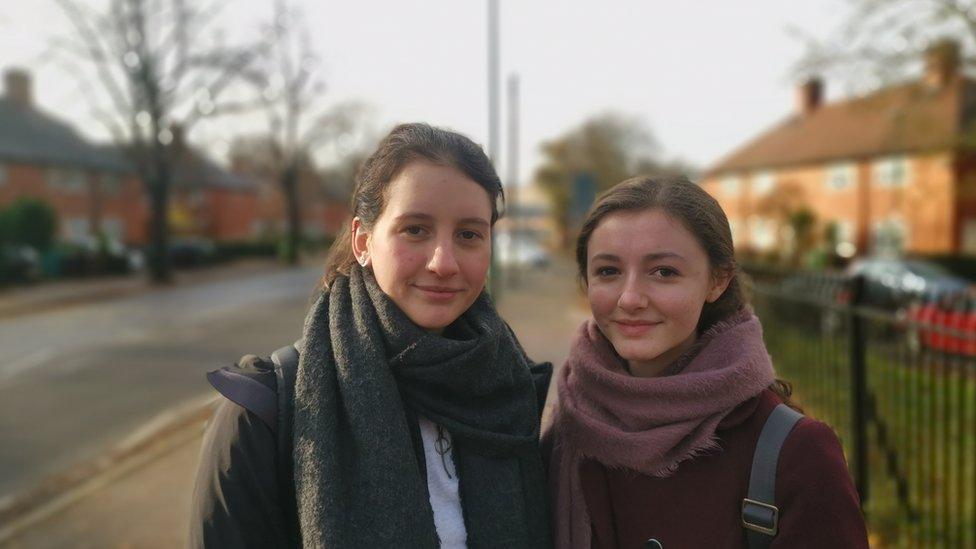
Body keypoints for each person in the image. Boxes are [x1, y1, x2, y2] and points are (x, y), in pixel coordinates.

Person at [189, 123, 553, 548]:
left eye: (469, 235)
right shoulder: (263, 413)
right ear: (363, 240)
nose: (443, 262)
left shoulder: (515, 394)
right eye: (415, 229)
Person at [542, 175, 869, 548]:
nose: (630, 298)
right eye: (608, 271)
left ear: (717, 281)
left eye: (664, 272)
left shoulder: (797, 454)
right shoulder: (569, 428)